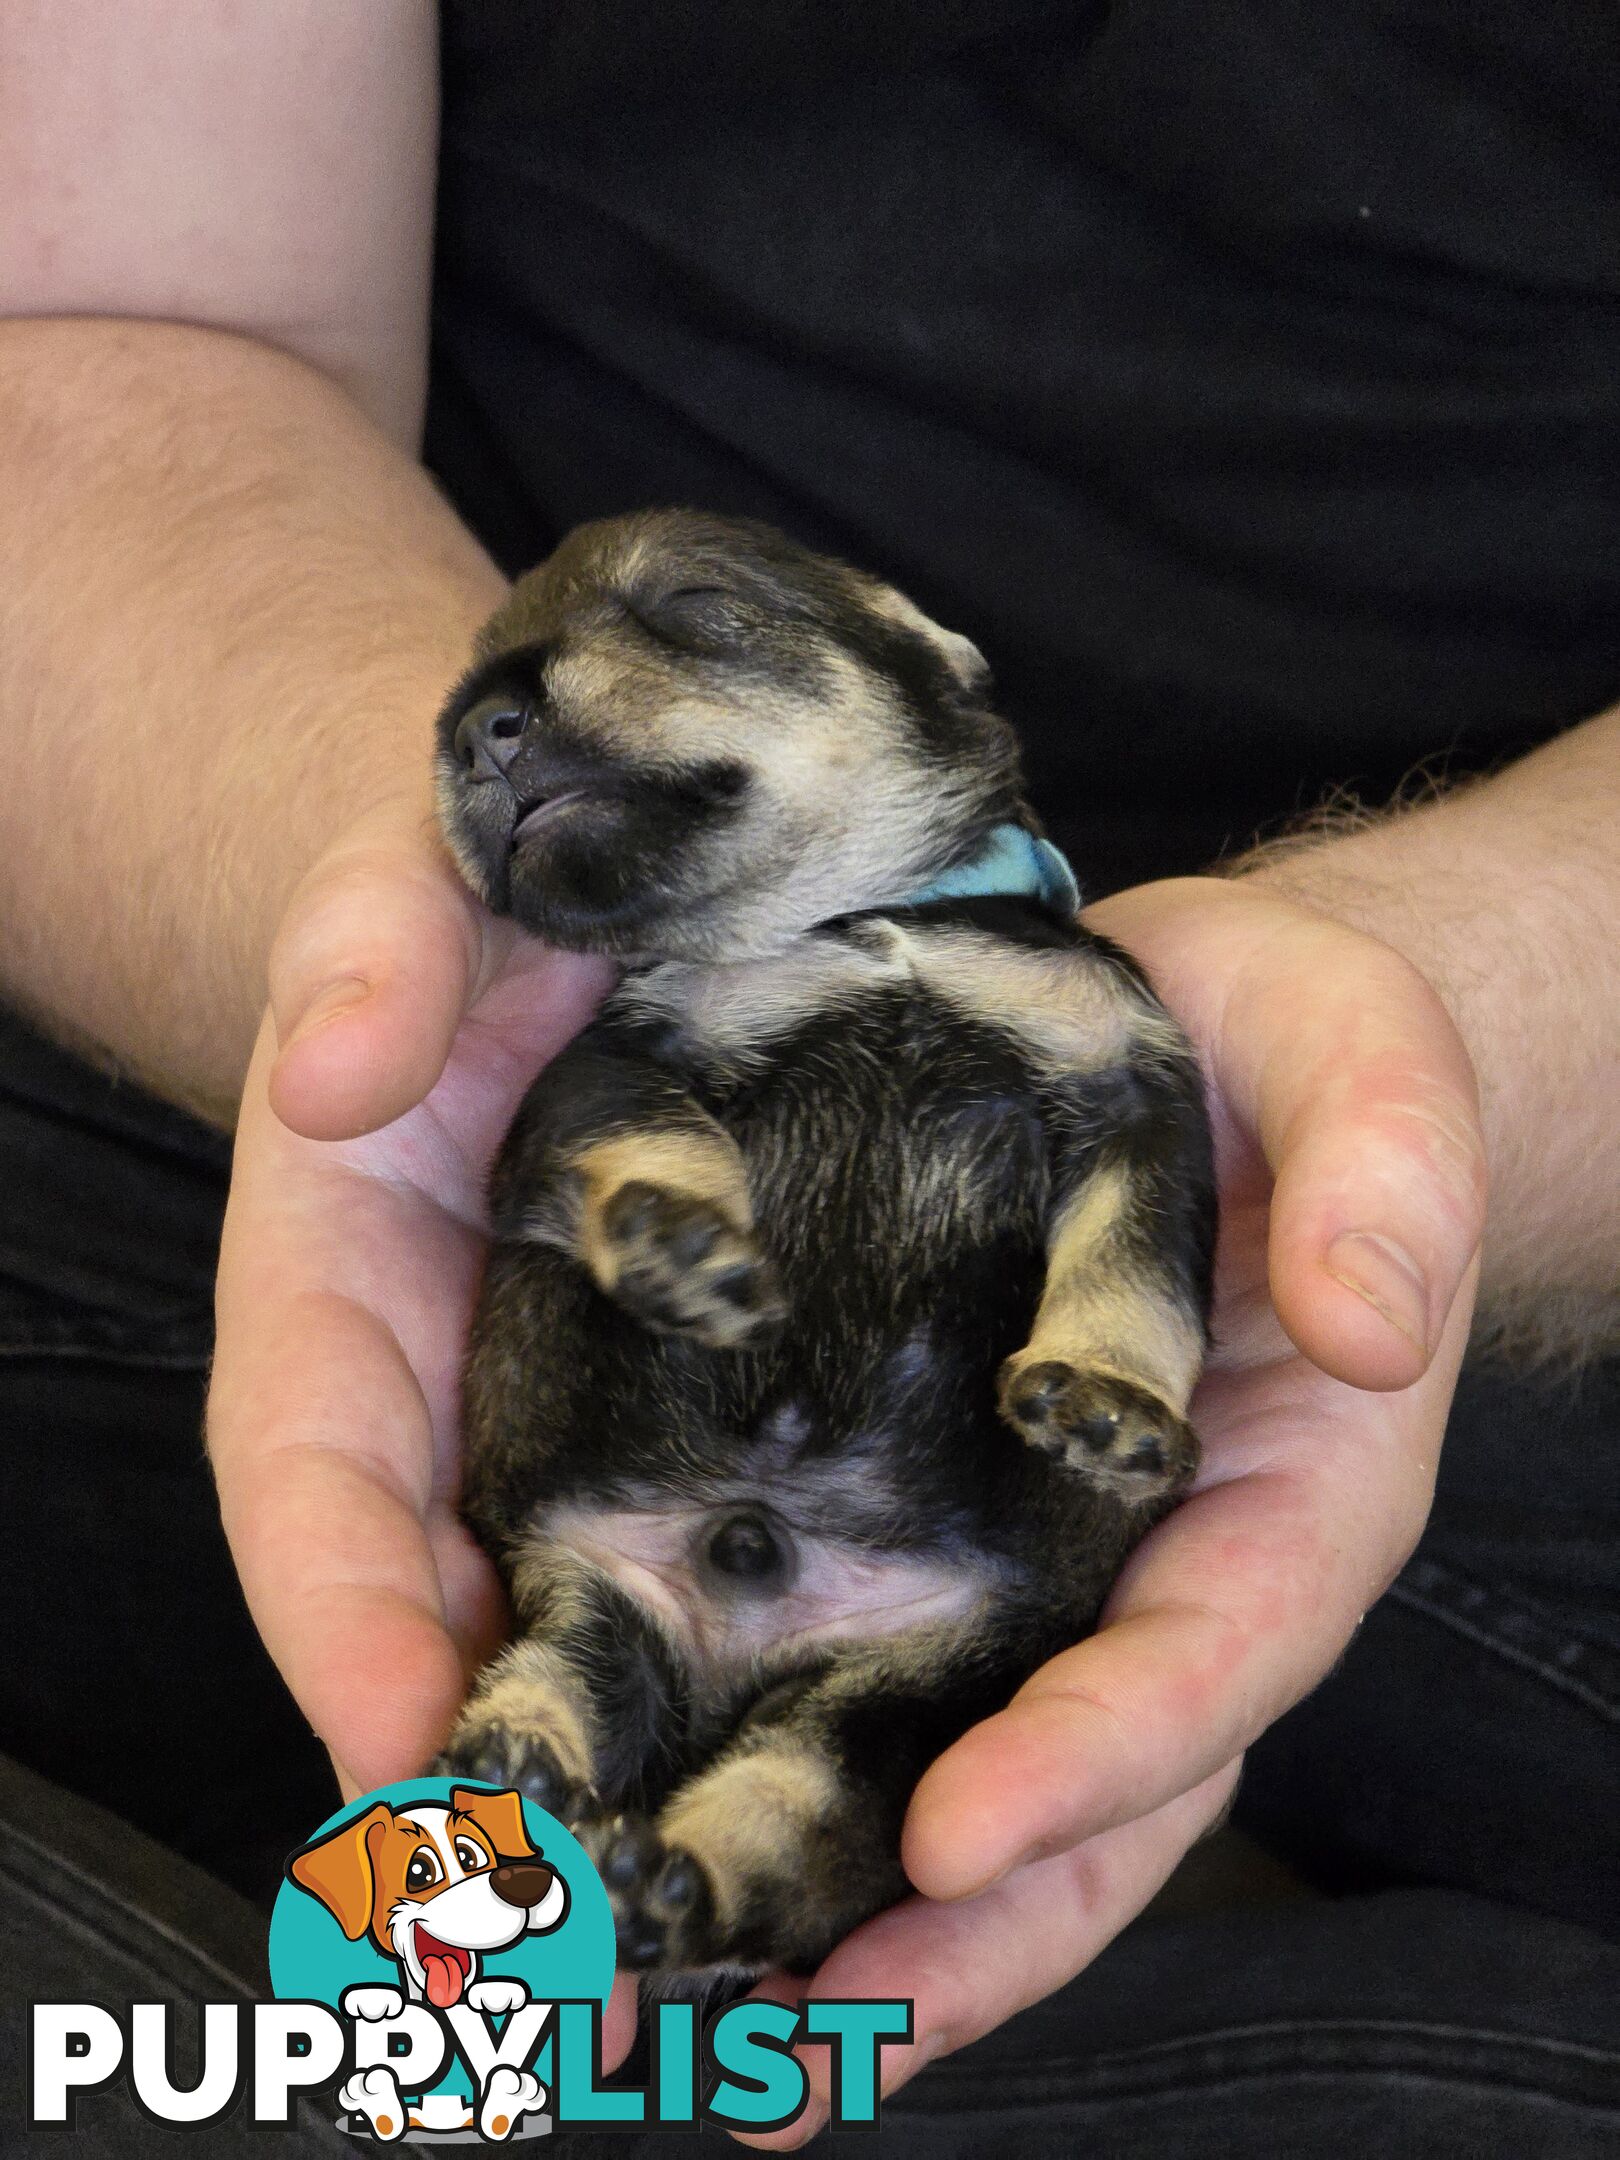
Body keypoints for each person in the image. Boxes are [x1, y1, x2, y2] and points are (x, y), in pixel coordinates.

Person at [1, 3, 1615, 2149]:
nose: (517, 718)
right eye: (507, 715)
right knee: (555, 1697)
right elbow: (107, 329)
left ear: (915, 673)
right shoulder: (625, 988)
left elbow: (1138, 1204)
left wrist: (1399, 1077)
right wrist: (383, 940)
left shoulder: (1089, 1025)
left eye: (682, 628)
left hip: (1532, 1240)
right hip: (243, 1077)